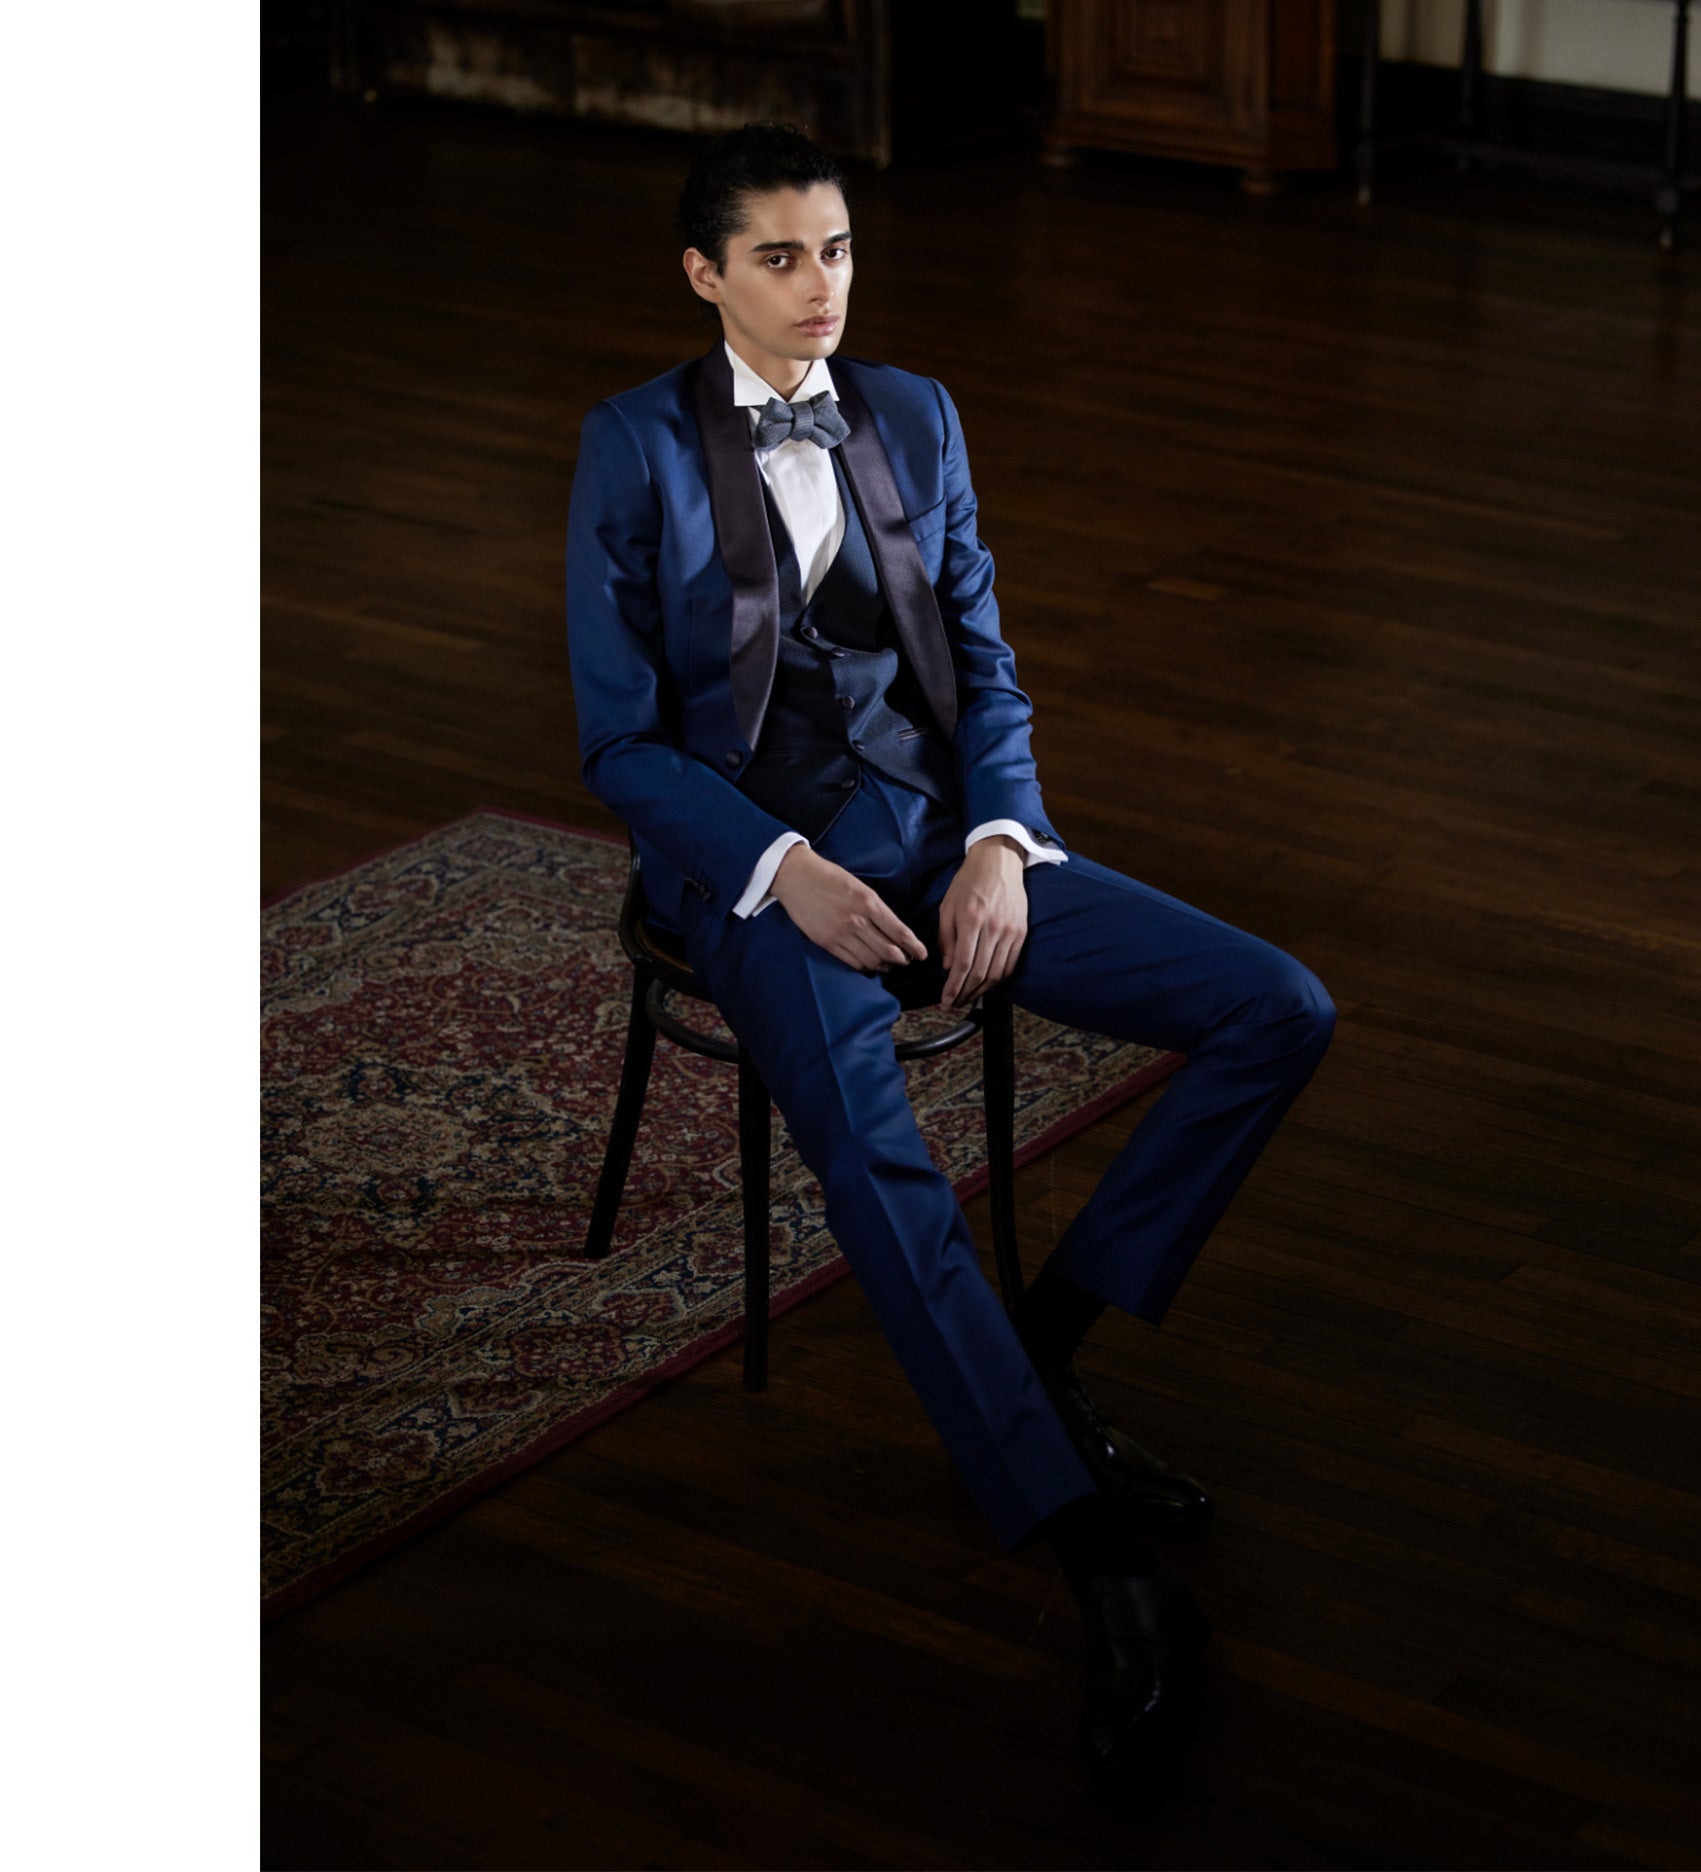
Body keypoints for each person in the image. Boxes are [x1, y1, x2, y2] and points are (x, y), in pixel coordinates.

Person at [565, 122, 1337, 1783]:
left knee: (1277, 1005)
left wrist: (999, 838)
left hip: (942, 836)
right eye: (779, 256)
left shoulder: (915, 412)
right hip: (760, 872)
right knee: (874, 1152)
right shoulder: (631, 446)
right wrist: (781, 871)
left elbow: (985, 665)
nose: (820, 284)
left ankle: (1032, 1362)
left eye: (837, 248)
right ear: (704, 274)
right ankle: (1104, 1572)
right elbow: (620, 743)